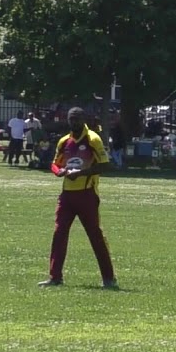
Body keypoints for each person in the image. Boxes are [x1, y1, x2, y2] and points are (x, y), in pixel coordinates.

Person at [39, 107, 118, 289]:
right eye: (71, 119)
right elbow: (54, 164)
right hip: (66, 196)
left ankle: (109, 278)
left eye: (77, 119)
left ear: (83, 119)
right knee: (59, 233)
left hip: (87, 194)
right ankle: (55, 277)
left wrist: (81, 173)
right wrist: (59, 172)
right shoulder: (64, 141)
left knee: (95, 235)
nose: (74, 122)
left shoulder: (93, 139)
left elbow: (105, 165)